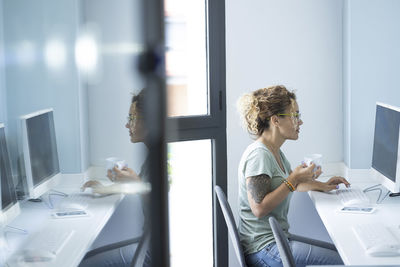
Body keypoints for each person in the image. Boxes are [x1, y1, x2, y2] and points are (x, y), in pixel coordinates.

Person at [236, 85, 348, 267]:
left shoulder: (274, 151)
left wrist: (323, 185)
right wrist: (293, 179)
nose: (300, 122)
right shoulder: (259, 155)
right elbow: (259, 208)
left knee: (342, 254)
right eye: (295, 116)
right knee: (343, 261)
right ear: (275, 120)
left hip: (275, 241)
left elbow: (291, 184)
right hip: (264, 250)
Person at [79, 89, 151, 267]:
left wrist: (135, 181)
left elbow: (162, 204)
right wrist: (105, 188)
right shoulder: (152, 153)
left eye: (132, 119)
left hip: (153, 252)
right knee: (86, 258)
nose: (127, 126)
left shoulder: (164, 157)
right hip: (147, 242)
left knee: (84, 264)